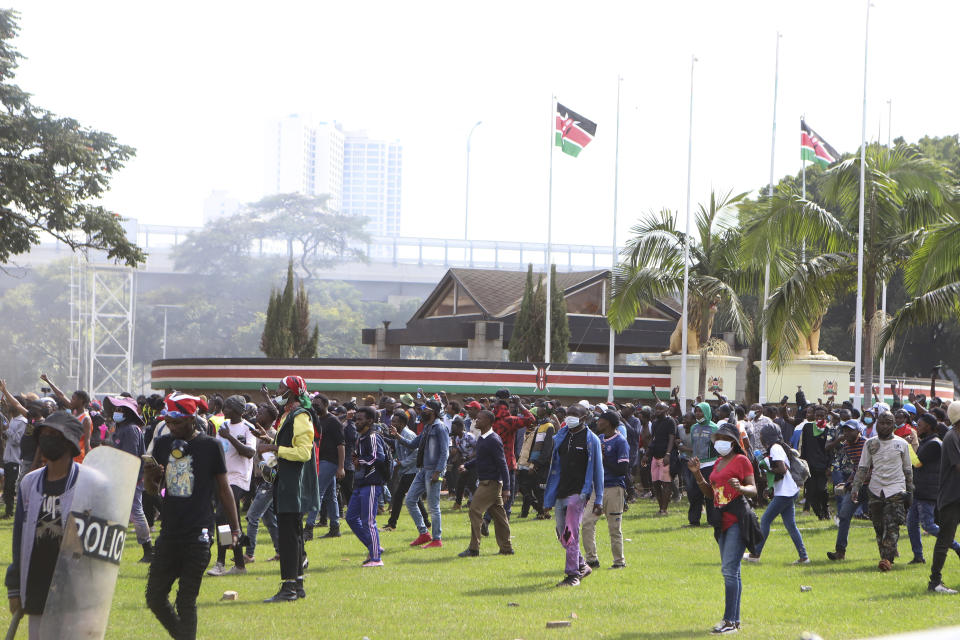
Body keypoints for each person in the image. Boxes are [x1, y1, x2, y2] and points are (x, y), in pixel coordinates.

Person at [144, 393, 242, 639]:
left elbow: (224, 489)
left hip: (198, 533)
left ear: (191, 418)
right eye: (168, 422)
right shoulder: (165, 443)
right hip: (169, 532)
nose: (172, 427)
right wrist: (150, 475)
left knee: (186, 600)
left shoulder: (211, 446)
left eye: (177, 422)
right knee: (154, 597)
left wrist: (235, 528)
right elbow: (153, 490)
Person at [4, 411, 89, 636]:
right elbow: (19, 538)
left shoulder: (88, 483)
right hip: (38, 581)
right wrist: (14, 586)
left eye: (54, 435)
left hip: (73, 586)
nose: (47, 439)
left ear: (69, 443)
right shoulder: (29, 484)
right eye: (45, 434)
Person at [686, 422, 758, 635]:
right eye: (717, 438)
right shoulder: (717, 462)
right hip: (720, 521)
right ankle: (734, 622)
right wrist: (697, 474)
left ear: (734, 442)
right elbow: (711, 493)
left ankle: (729, 621)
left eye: (724, 439)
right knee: (733, 572)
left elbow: (753, 489)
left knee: (728, 571)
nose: (719, 442)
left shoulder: (741, 460)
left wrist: (741, 487)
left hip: (737, 518)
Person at [255, 376, 320, 602]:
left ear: (292, 392)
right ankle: (297, 585)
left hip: (293, 485)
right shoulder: (288, 415)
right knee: (293, 536)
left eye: (281, 388)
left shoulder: (300, 415)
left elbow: (304, 452)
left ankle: (289, 588)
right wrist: (267, 439)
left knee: (289, 538)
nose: (277, 391)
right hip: (286, 483)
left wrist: (274, 446)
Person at [543, 404, 604, 587]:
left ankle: (573, 575)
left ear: (584, 418)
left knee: (570, 533)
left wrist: (598, 499)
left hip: (578, 493)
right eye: (568, 414)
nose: (569, 417)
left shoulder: (591, 440)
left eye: (574, 415)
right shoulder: (561, 436)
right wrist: (548, 498)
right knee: (562, 533)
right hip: (561, 491)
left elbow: (598, 472)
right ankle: (582, 565)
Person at [850, 412, 914, 572]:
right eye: (881, 423)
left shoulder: (902, 444)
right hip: (876, 489)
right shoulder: (870, 444)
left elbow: (908, 469)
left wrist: (910, 490)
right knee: (878, 526)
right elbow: (863, 467)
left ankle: (887, 559)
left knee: (892, 525)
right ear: (877, 424)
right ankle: (885, 554)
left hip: (896, 489)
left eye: (888, 423)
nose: (884, 426)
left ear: (893, 425)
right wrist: (855, 487)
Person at [746, 424, 808, 565]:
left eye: (761, 435)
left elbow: (782, 469)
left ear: (765, 437)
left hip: (785, 493)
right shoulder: (775, 448)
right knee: (791, 525)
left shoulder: (775, 448)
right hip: (786, 491)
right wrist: (770, 487)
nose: (760, 438)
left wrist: (765, 467)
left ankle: (755, 554)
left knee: (765, 520)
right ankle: (804, 557)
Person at [206, 395, 254, 577]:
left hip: (239, 478)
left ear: (237, 410)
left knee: (221, 515)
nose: (224, 411)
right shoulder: (222, 428)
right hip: (223, 477)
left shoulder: (248, 428)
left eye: (227, 408)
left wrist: (230, 437)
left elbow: (249, 452)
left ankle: (220, 562)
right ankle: (239, 564)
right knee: (230, 521)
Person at [103, 395, 153, 562]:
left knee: (136, 512)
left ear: (128, 413)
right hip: (118, 477)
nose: (116, 412)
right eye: (116, 409)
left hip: (130, 478)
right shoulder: (120, 428)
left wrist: (127, 478)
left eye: (120, 410)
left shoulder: (131, 429)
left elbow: (130, 457)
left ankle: (148, 549)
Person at [457, 409, 513, 557]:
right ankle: (506, 548)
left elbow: (503, 464)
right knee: (500, 517)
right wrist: (467, 465)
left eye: (480, 419)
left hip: (490, 483)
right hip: (487, 482)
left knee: (474, 510)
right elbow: (481, 459)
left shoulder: (493, 440)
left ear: (488, 421)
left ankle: (474, 548)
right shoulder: (482, 438)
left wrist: (507, 488)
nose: (476, 421)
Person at [394, 399, 449, 548]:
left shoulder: (440, 427)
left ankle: (437, 539)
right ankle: (424, 533)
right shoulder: (427, 427)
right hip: (423, 469)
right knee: (410, 500)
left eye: (426, 408)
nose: (423, 410)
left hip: (433, 471)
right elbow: (413, 444)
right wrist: (397, 436)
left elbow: (445, 452)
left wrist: (438, 471)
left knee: (433, 506)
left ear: (434, 411)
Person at [907, 413, 960, 564]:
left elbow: (916, 463)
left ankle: (957, 546)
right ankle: (918, 556)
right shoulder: (928, 442)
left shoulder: (934, 444)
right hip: (920, 489)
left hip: (927, 491)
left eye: (920, 425)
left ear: (928, 427)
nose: (917, 427)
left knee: (928, 525)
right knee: (911, 524)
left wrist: (908, 447)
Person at [582, 410, 629, 569]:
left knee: (614, 528)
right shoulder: (599, 439)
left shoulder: (620, 441)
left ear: (608, 423)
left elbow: (622, 470)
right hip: (597, 490)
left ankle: (619, 562)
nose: (597, 422)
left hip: (614, 489)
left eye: (600, 420)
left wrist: (603, 458)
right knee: (587, 522)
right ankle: (591, 560)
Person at [345, 407, 387, 567]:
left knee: (369, 521)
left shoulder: (373, 436)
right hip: (360, 483)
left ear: (370, 420)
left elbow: (379, 457)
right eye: (356, 419)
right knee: (351, 518)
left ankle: (376, 558)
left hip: (372, 483)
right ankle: (374, 547)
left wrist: (360, 461)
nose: (357, 422)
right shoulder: (361, 438)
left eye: (360, 419)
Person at [928, 401, 960, 594]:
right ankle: (935, 583)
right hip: (952, 498)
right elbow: (958, 467)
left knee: (945, 538)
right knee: (945, 539)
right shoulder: (951, 437)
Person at [304, 394, 344, 541]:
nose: (315, 406)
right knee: (330, 495)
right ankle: (335, 527)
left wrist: (340, 467)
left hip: (330, 461)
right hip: (319, 460)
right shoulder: (315, 420)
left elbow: (341, 445)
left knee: (317, 492)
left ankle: (308, 527)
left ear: (326, 405)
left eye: (318, 404)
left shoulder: (334, 421)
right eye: (313, 404)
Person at [382, 409, 430, 532]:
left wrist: (402, 463)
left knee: (398, 496)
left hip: (412, 471)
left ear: (402, 423)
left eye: (395, 421)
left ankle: (392, 524)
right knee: (415, 498)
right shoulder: (399, 433)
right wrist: (384, 438)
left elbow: (416, 453)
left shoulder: (408, 434)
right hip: (407, 471)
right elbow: (398, 444)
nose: (392, 423)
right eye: (392, 421)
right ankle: (427, 522)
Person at [245, 402, 280, 563]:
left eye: (261, 412)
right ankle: (280, 551)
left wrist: (261, 452)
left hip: (269, 482)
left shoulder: (272, 435)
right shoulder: (256, 432)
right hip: (259, 481)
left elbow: (272, 464)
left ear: (271, 418)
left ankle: (249, 554)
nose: (257, 413)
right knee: (269, 519)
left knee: (252, 516)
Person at [827, 420, 867, 561]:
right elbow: (857, 467)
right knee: (844, 515)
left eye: (850, 430)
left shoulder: (866, 444)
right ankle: (840, 552)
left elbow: (871, 467)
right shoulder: (846, 446)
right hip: (856, 485)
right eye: (845, 431)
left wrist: (856, 481)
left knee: (878, 518)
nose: (847, 433)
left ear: (858, 431)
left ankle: (890, 549)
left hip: (871, 485)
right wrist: (849, 481)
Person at [38, 374, 92, 462]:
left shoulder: (86, 419)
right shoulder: (74, 411)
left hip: (80, 458)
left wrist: (87, 461)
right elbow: (61, 395)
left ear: (81, 401)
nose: (71, 401)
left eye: (74, 399)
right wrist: (48, 381)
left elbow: (87, 441)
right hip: (70, 456)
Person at [798, 405, 831, 520]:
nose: (819, 418)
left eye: (822, 416)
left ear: (826, 416)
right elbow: (804, 446)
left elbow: (830, 450)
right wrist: (802, 463)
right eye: (817, 416)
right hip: (809, 465)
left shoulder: (829, 429)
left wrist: (829, 466)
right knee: (811, 492)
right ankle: (819, 514)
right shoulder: (807, 427)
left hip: (823, 465)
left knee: (822, 489)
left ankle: (826, 510)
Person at [644, 402, 676, 516]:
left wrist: (668, 454)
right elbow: (654, 439)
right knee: (656, 483)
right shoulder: (655, 423)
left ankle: (664, 509)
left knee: (666, 483)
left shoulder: (670, 421)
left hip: (665, 456)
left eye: (660, 409)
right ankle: (660, 507)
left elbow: (671, 439)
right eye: (656, 408)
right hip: (655, 456)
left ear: (666, 409)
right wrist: (647, 454)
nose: (657, 411)